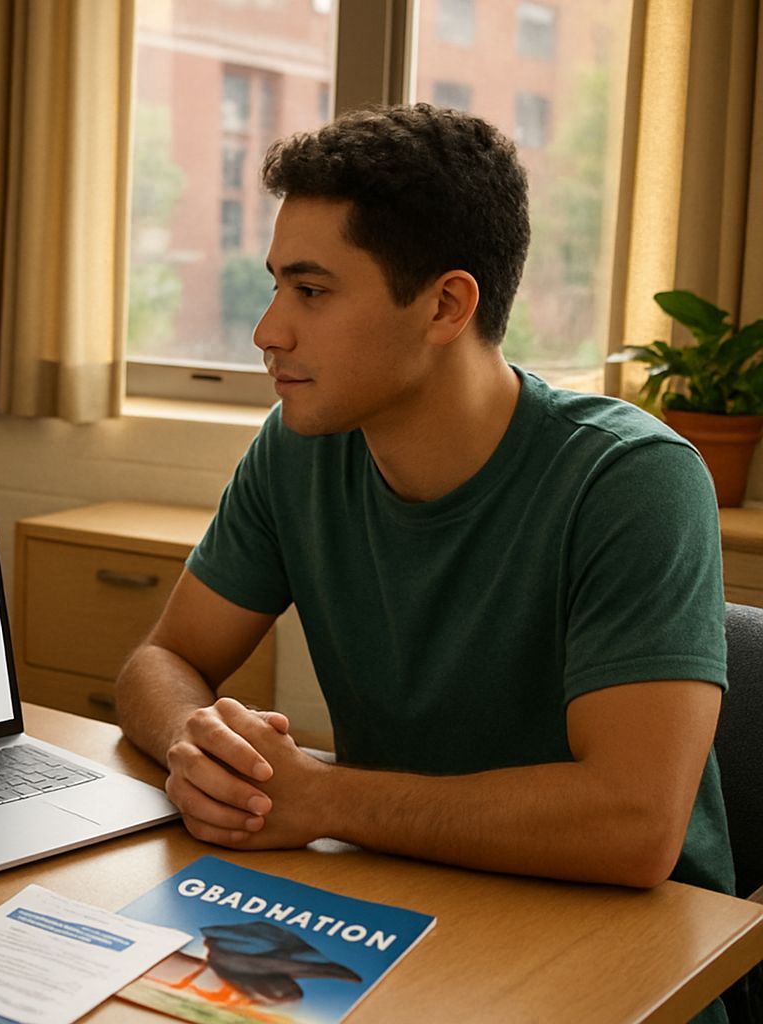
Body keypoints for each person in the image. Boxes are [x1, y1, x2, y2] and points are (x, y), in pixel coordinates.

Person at [116, 104, 734, 901]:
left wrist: (322, 798)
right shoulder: (297, 446)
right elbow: (163, 661)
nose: (268, 330)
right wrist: (197, 746)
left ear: (446, 306)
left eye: (311, 290)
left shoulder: (632, 480)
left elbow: (634, 825)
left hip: (625, 945)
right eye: (277, 285)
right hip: (404, 894)